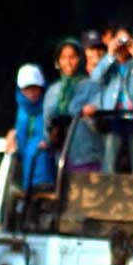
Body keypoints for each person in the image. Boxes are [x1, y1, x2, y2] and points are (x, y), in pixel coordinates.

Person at [87, 27, 133, 175]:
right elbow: (95, 78)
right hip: (113, 118)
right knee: (110, 163)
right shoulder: (109, 64)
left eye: (126, 41)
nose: (122, 46)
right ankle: (109, 193)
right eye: (119, 41)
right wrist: (110, 54)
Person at [43, 39, 102, 173]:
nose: (68, 62)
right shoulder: (53, 90)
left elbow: (100, 123)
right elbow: (46, 126)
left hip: (88, 155)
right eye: (63, 58)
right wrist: (51, 133)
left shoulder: (91, 86)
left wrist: (90, 114)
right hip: (62, 157)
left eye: (72, 57)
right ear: (58, 61)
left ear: (80, 59)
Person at [12, 64, 54, 191]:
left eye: (35, 88)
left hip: (48, 169)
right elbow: (20, 136)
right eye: (27, 89)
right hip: (26, 171)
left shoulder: (50, 106)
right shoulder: (21, 110)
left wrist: (49, 141)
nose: (32, 93)